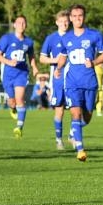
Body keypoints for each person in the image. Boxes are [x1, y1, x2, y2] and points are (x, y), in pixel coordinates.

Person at [55, 4, 103, 162]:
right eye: (75, 16)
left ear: (84, 17)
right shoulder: (66, 38)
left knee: (87, 117)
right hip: (72, 83)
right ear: (70, 18)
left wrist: (94, 62)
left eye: (80, 16)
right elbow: (64, 56)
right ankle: (80, 149)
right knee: (75, 114)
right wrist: (59, 68)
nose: (77, 18)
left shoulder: (94, 35)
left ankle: (74, 131)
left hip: (90, 83)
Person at [0, 15, 39, 139]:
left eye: (24, 23)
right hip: (8, 74)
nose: (21, 25)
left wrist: (34, 67)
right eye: (19, 22)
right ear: (14, 25)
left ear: (26, 25)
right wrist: (8, 62)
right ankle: (12, 109)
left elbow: (31, 56)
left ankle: (19, 127)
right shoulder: (6, 38)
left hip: (21, 73)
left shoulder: (28, 42)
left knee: (20, 99)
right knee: (12, 101)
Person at [39, 10, 70, 150]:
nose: (64, 24)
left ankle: (73, 134)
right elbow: (42, 58)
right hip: (57, 78)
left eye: (66, 21)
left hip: (74, 78)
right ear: (56, 22)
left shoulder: (74, 36)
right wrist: (55, 60)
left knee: (80, 108)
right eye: (62, 21)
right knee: (60, 110)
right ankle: (59, 140)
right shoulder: (51, 38)